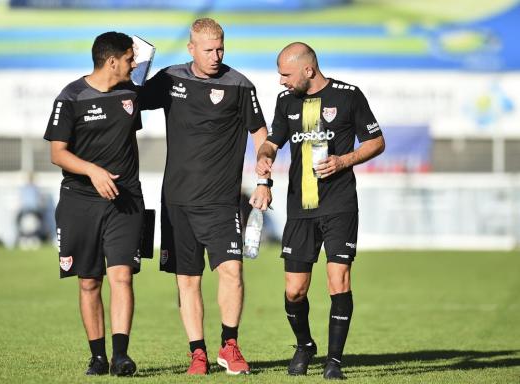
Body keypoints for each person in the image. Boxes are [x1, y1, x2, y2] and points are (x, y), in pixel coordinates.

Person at [139, 18, 269, 375]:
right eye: (208, 49)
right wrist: (132, 71)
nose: (216, 56)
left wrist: (264, 180)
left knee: (232, 271)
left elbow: (260, 133)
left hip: (222, 201)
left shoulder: (240, 85)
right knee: (188, 279)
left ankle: (230, 345)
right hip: (177, 201)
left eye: (221, 48)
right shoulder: (169, 79)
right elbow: (130, 101)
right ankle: (197, 352)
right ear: (191, 48)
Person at [251, 42, 385, 380]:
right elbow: (273, 140)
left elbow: (375, 142)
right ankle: (304, 345)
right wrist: (265, 154)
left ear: (308, 70)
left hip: (339, 205)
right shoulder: (286, 101)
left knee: (337, 280)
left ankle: (334, 362)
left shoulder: (348, 96)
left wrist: (343, 160)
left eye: (286, 74)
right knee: (294, 290)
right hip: (299, 208)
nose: (281, 81)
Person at [44, 32, 145, 377]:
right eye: (130, 59)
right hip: (80, 200)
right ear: (112, 61)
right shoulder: (70, 97)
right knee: (89, 281)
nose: (135, 64)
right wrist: (93, 171)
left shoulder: (132, 92)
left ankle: (121, 356)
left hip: (125, 199)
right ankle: (98, 357)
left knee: (122, 276)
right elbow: (57, 153)